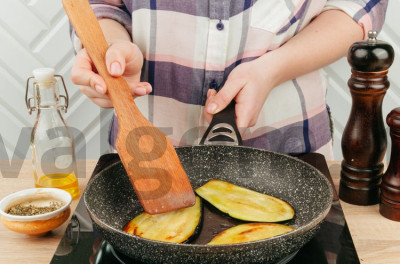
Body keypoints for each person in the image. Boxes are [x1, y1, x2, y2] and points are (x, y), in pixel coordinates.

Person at [70, 0, 388, 160]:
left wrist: (273, 69)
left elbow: (356, 5)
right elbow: (102, 5)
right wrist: (111, 51)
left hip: (288, 143)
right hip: (146, 151)